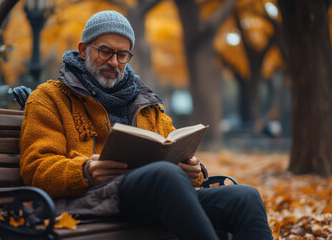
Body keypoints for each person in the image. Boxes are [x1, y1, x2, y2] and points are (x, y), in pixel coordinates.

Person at [19, 10, 272, 240]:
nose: (114, 62)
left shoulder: (145, 101)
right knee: (165, 174)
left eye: (122, 55)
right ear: (84, 49)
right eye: (105, 51)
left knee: (245, 197)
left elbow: (170, 148)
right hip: (89, 199)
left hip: (155, 196)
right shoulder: (49, 98)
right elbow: (35, 169)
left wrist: (193, 169)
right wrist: (84, 171)